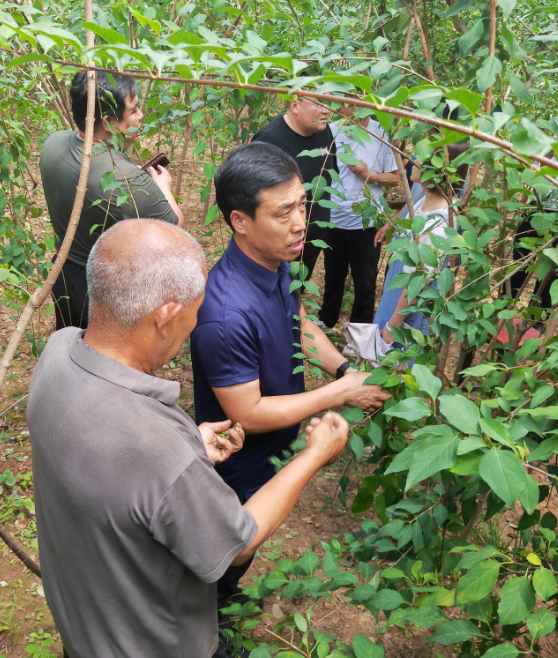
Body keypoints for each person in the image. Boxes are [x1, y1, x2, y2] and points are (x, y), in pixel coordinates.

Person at [28, 219, 349, 658]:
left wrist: (190, 446)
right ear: (166, 316)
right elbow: (240, 542)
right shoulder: (159, 452)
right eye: (194, 314)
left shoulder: (57, 353)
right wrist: (314, 454)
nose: (195, 326)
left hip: (84, 630)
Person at [190, 143, 391, 619]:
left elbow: (297, 321)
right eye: (283, 213)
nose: (301, 222)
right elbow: (247, 413)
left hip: (274, 446)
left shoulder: (271, 265)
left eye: (301, 205)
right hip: (238, 460)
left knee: (242, 553)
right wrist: (342, 392)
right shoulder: (224, 314)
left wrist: (343, 370)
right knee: (228, 548)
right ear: (240, 220)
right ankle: (205, 622)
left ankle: (221, 598)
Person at [39, 71, 185, 330]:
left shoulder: (53, 143)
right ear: (107, 122)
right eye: (134, 110)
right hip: (103, 290)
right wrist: (163, 187)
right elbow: (174, 227)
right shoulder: (123, 180)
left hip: (62, 274)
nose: (141, 116)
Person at [322, 105, 401, 355]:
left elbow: (397, 177)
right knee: (332, 273)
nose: (353, 106)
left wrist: (369, 176)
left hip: (366, 220)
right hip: (333, 216)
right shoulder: (330, 132)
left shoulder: (381, 134)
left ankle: (357, 337)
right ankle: (326, 320)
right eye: (347, 99)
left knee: (364, 281)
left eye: (359, 99)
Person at [373, 142, 470, 344]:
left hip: (403, 318)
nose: (414, 161)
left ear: (434, 170)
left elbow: (417, 285)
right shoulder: (423, 204)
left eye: (420, 157)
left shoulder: (436, 223)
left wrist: (392, 328)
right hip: (394, 303)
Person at [252, 94, 337, 315]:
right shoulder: (269, 141)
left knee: (294, 293)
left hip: (310, 239)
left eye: (328, 102)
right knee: (270, 296)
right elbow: (253, 198)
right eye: (318, 103)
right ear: (294, 105)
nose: (326, 109)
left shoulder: (324, 131)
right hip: (280, 241)